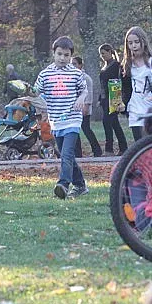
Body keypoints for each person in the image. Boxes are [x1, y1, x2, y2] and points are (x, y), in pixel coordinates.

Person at [33, 36, 89, 200]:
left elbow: (84, 91)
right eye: (60, 54)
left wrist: (81, 99)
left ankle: (63, 185)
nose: (63, 58)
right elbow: (36, 92)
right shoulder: (45, 74)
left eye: (66, 55)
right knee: (68, 156)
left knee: (66, 154)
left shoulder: (76, 74)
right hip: (56, 121)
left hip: (72, 119)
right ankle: (80, 185)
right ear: (54, 53)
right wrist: (29, 93)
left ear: (71, 56)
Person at [98, 43, 128, 155]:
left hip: (113, 98)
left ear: (110, 52)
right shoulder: (104, 67)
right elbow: (102, 84)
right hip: (105, 99)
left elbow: (119, 82)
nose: (102, 56)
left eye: (104, 53)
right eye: (101, 54)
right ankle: (123, 147)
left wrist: (118, 100)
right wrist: (100, 99)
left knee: (107, 122)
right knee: (114, 123)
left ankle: (109, 149)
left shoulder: (116, 65)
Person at [71, 56, 103, 158]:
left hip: (84, 107)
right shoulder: (72, 77)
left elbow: (89, 93)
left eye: (75, 64)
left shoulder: (86, 78)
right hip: (74, 109)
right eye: (72, 64)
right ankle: (77, 153)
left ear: (80, 65)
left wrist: (87, 105)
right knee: (75, 130)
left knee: (86, 129)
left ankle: (97, 150)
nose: (73, 66)